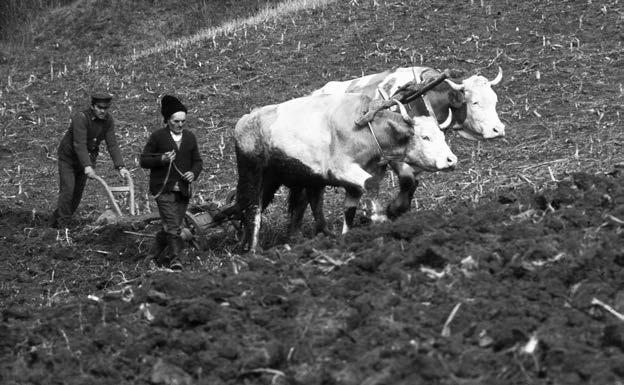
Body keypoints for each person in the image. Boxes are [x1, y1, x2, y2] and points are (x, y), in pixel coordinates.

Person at [140, 95, 203, 270]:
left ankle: (151, 258)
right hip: (163, 189)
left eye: (183, 121)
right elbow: (143, 160)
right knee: (174, 227)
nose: (180, 125)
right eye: (176, 121)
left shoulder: (190, 138)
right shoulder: (158, 137)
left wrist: (193, 173)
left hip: (183, 192)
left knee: (169, 227)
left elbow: (198, 161)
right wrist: (162, 159)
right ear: (167, 120)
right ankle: (177, 260)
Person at [52, 92, 130, 228]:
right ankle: (63, 225)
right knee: (68, 190)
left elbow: (112, 144)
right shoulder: (81, 118)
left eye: (105, 108)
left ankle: (57, 220)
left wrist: (120, 166)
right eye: (100, 107)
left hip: (86, 159)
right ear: (92, 106)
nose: (103, 111)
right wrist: (87, 166)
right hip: (68, 159)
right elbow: (79, 144)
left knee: (77, 194)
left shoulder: (108, 121)